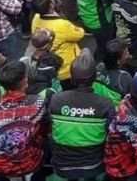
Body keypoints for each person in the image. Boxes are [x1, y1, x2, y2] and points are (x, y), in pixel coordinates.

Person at [49, 50, 115, 180]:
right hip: (94, 166)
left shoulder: (56, 99)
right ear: (94, 78)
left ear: (72, 78)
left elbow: (51, 129)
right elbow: (111, 135)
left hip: (62, 166)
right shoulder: (105, 104)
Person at [0, 60, 49, 180]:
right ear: (25, 81)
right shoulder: (39, 103)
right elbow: (47, 129)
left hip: (1, 167)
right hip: (31, 164)